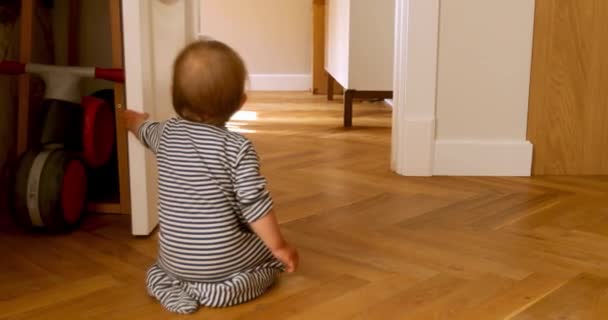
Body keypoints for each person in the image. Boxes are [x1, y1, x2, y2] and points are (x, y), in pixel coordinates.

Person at [120, 38, 299, 314]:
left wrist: (132, 119)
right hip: (221, 258)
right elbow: (255, 205)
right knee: (268, 262)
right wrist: (278, 246)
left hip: (173, 258)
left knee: (159, 268)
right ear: (240, 103)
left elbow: (140, 128)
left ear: (172, 93)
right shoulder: (237, 148)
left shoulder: (164, 134)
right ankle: (217, 290)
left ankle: (166, 284)